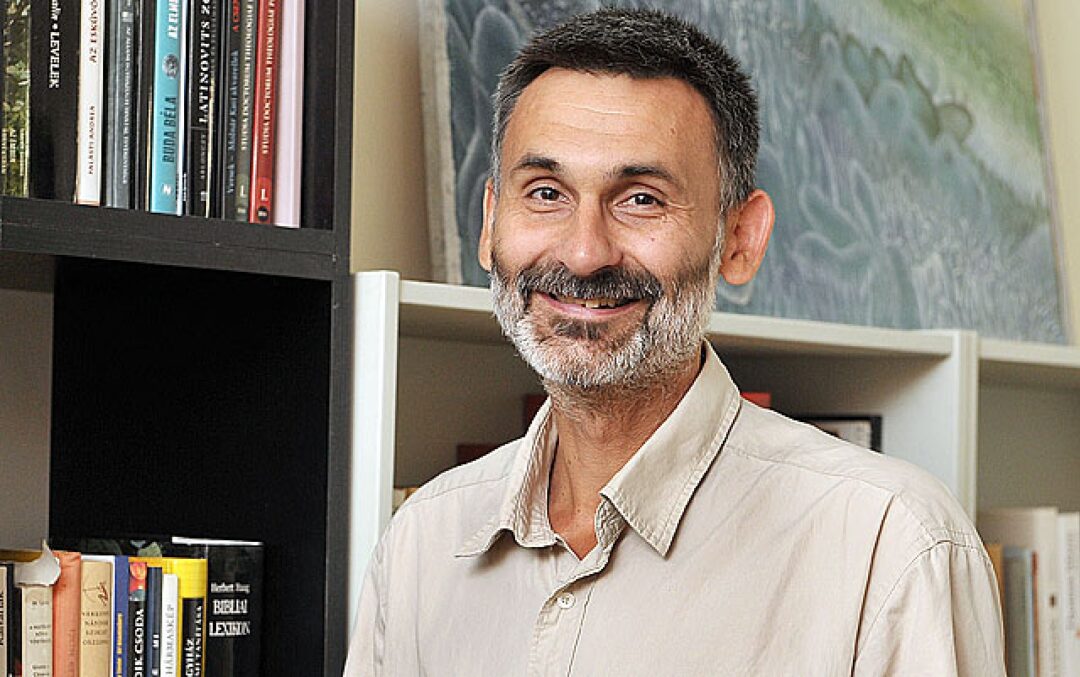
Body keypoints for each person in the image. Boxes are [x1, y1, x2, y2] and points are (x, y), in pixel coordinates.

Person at [345, 8, 1004, 675]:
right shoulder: (421, 543)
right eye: (545, 192)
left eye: (642, 199)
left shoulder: (889, 543)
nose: (584, 253)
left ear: (741, 238)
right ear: (491, 223)